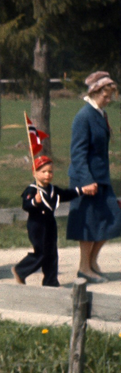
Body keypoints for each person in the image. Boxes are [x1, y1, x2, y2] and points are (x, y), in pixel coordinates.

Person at [67, 71, 121, 282]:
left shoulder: (100, 113)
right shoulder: (84, 116)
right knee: (88, 224)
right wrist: (87, 180)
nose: (108, 100)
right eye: (105, 96)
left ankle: (92, 261)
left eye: (110, 97)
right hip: (86, 179)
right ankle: (84, 267)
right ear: (95, 91)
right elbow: (78, 153)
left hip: (102, 178)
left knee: (113, 220)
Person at [14, 155, 94, 287]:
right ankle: (20, 270)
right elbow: (26, 205)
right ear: (34, 173)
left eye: (50, 171)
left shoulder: (52, 190)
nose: (47, 175)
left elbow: (66, 194)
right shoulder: (32, 190)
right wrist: (35, 201)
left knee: (52, 252)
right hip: (37, 225)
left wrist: (82, 190)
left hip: (50, 224)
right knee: (41, 252)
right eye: (43, 171)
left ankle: (51, 281)